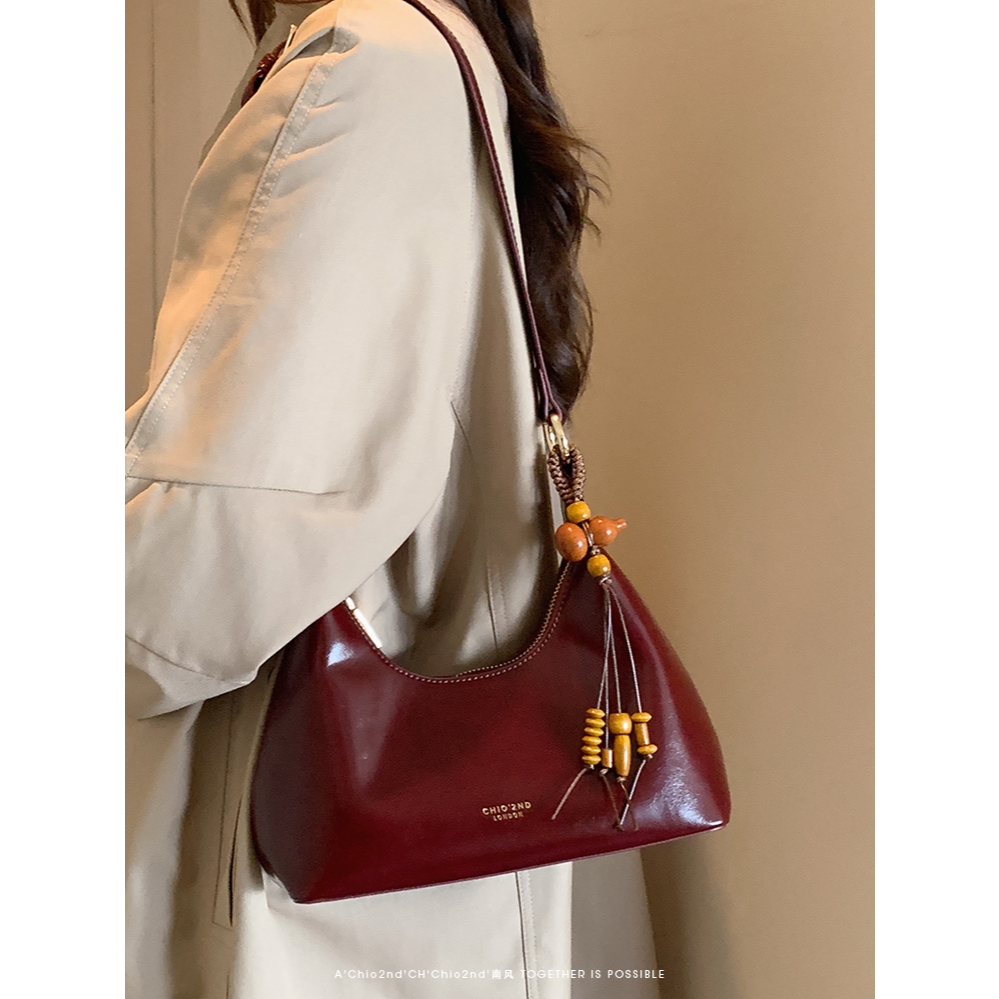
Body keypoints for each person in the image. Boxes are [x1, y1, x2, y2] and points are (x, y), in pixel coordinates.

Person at [126, 1, 659, 995]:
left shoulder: (365, 58)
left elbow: (221, 544)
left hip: (325, 862)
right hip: (403, 848)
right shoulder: (405, 48)